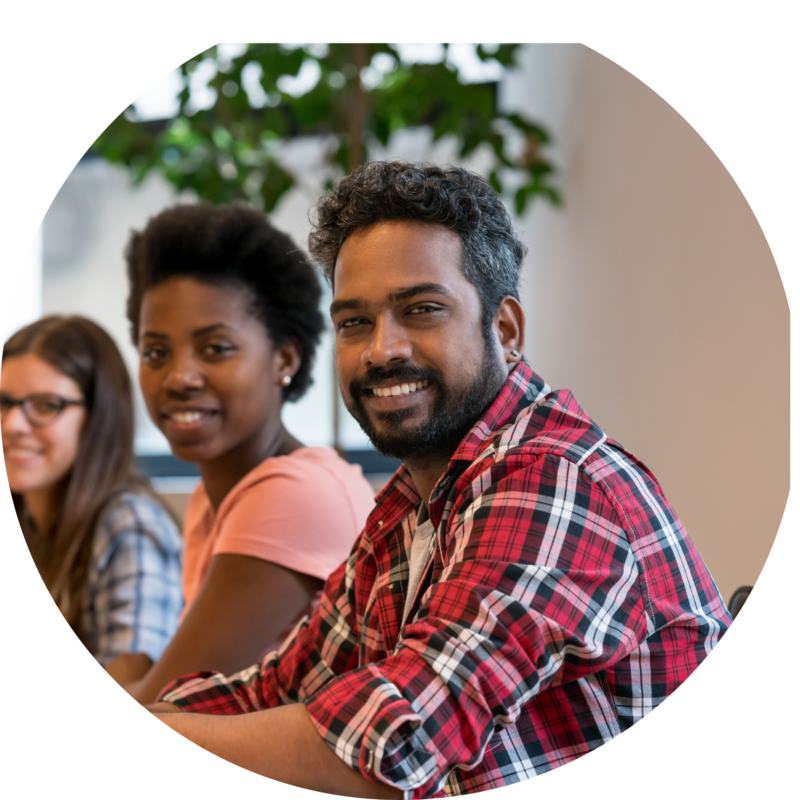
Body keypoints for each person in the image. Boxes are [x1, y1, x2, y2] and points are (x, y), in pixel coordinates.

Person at [146, 163, 733, 798]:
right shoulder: (409, 507)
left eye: (421, 310)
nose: (380, 350)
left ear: (505, 330)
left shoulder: (554, 478)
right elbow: (280, 687)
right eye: (354, 322)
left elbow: (397, 745)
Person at [108, 203, 376, 705]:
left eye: (215, 349)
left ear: (285, 358)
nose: (179, 377)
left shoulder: (294, 495)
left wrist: (133, 675)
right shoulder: (211, 500)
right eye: (155, 353)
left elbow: (164, 706)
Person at [1, 316, 182, 670]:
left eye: (45, 405)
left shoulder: (129, 524)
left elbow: (135, 682)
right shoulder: (28, 514)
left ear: (99, 416)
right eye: (4, 402)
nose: (12, 425)